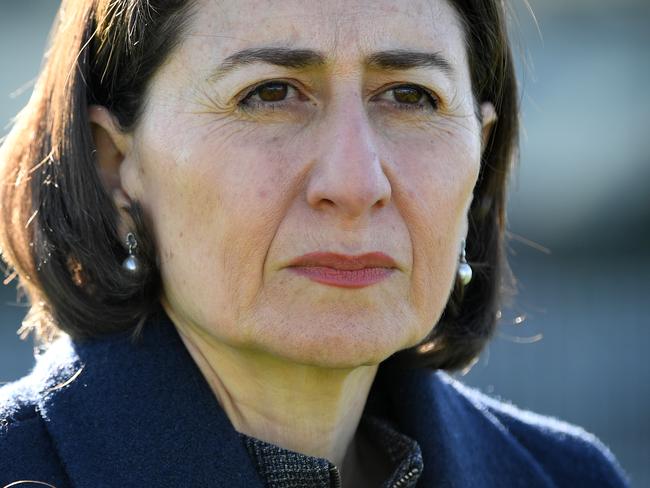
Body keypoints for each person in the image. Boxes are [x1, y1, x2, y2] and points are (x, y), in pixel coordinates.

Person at [0, 0, 630, 486]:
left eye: (411, 95)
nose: (355, 183)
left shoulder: (567, 476)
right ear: (114, 163)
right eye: (270, 93)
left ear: (480, 153)